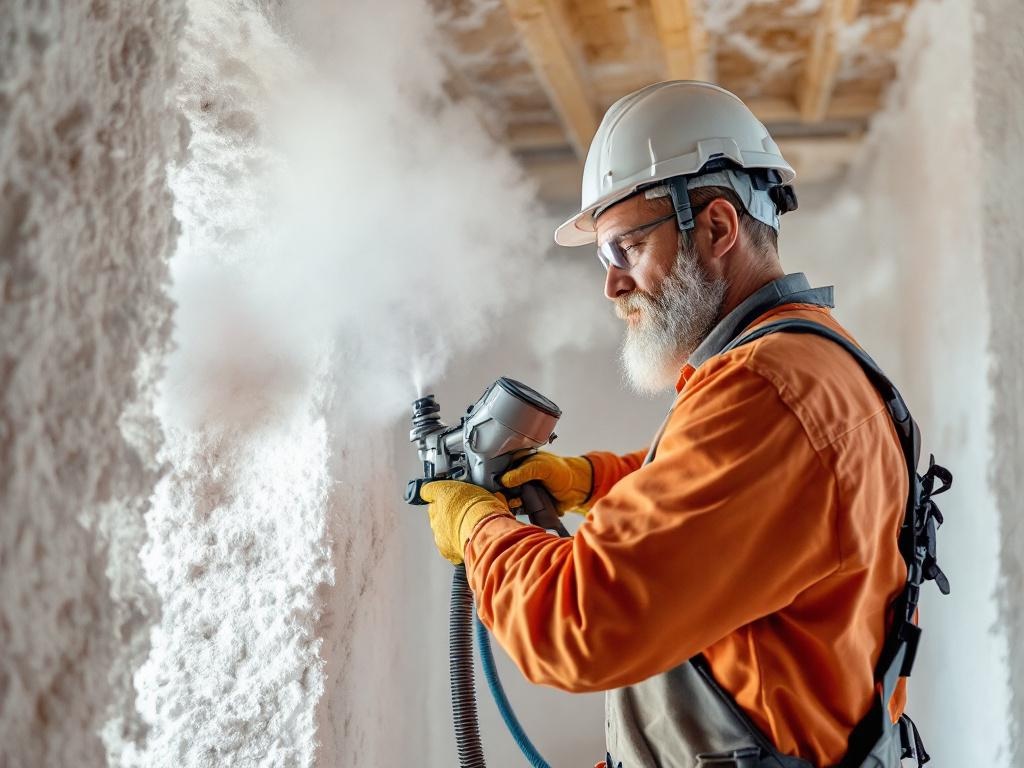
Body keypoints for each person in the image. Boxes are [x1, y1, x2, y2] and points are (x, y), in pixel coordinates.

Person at [420, 81, 928, 767]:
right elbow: (736, 496)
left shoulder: (766, 390)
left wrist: (478, 529)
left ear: (717, 226)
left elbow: (578, 626)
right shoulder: (804, 359)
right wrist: (591, 479)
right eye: (603, 258)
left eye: (625, 249)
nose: (612, 285)